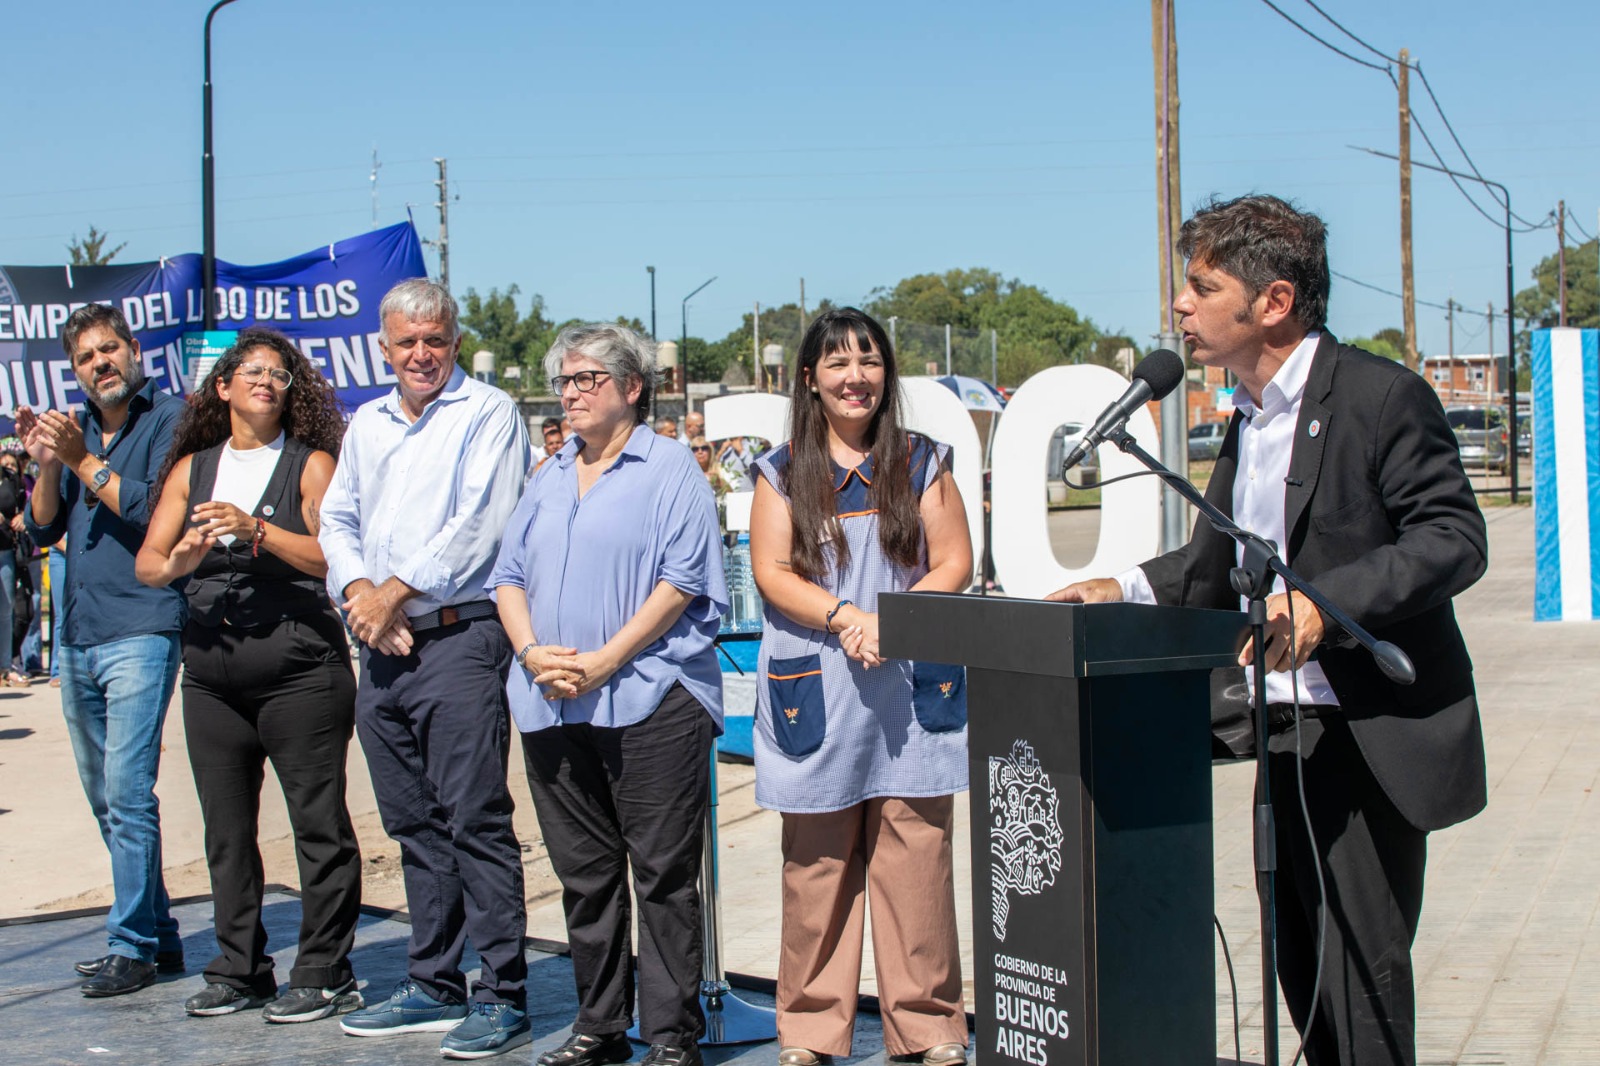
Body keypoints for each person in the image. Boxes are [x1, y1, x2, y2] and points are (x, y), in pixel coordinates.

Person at [1048, 194, 1488, 1066]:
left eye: (1201, 287)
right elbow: (1218, 566)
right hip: (1280, 729)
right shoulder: (1250, 417)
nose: (1179, 306)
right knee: (1302, 972)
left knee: (1360, 985)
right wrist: (1122, 585)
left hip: (1364, 735)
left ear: (1274, 302)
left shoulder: (1379, 396)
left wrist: (1325, 604)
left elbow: (1453, 537)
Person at [491, 323, 726, 1066]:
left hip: (651, 697)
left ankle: (669, 1037)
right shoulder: (548, 475)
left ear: (632, 388)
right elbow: (507, 578)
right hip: (550, 702)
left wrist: (603, 661)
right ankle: (600, 1026)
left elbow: (682, 582)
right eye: (564, 379)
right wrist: (532, 653)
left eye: (588, 377)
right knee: (585, 877)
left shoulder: (670, 470)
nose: (571, 391)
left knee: (660, 875)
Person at [748, 307, 973, 1066]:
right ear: (809, 378)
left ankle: (931, 1025)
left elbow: (954, 562)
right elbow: (771, 572)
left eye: (870, 361)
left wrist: (892, 621)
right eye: (838, 363)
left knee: (917, 862)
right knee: (817, 869)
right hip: (820, 686)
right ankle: (810, 1031)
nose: (856, 377)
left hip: (907, 685)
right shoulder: (781, 473)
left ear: (888, 373)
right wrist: (846, 616)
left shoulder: (923, 461)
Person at [318, 278, 534, 1059]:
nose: (420, 354)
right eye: (406, 341)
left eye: (434, 340)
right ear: (384, 345)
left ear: (453, 339)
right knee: (412, 821)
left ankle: (502, 992)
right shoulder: (367, 424)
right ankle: (433, 982)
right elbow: (336, 517)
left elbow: (481, 523)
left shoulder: (489, 413)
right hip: (380, 643)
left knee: (474, 815)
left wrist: (394, 594)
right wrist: (358, 594)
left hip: (457, 637)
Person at [134, 327, 363, 1023]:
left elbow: (333, 556)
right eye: (252, 370)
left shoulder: (311, 463)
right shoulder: (191, 468)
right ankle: (239, 967)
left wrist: (255, 530)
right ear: (224, 386)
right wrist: (180, 561)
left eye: (281, 373)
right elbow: (150, 561)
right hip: (211, 676)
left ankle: (325, 969)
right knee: (226, 830)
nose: (266, 380)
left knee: (316, 823)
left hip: (301, 672)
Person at [18, 303, 188, 997]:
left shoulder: (171, 418)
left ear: (133, 348)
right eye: (86, 358)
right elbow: (40, 524)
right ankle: (160, 932)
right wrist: (50, 464)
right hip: (79, 636)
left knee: (127, 790)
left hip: (143, 626)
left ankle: (133, 944)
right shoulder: (76, 429)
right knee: (103, 798)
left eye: (108, 349)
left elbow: (153, 509)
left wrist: (83, 459)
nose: (100, 365)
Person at [0, 449, 28, 685]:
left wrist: (22, 516)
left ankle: (5, 665)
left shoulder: (11, 478)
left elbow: (24, 504)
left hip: (5, 548)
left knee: (6, 609)